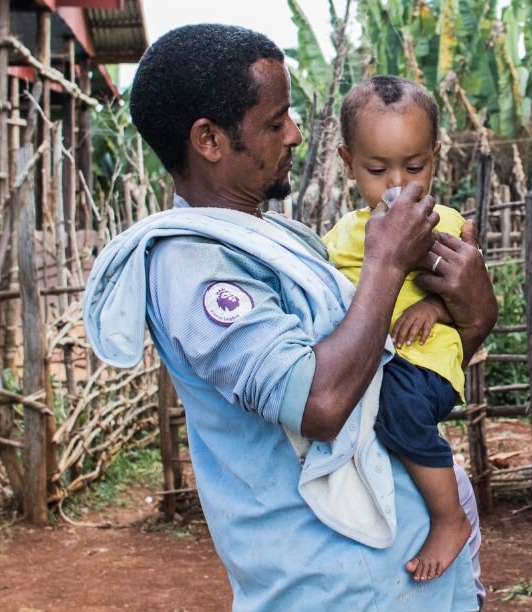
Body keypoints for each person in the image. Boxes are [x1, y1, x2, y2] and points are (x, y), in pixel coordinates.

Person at [84, 24, 498, 610]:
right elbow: (320, 406)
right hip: (336, 588)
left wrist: (474, 312)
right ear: (209, 140)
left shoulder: (282, 240)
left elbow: (392, 376)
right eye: (275, 122)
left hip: (409, 577)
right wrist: (384, 262)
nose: (296, 134)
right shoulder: (193, 265)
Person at [324, 74, 480, 583]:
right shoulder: (339, 238)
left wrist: (433, 308)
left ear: (434, 156)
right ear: (348, 163)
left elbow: (466, 294)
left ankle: (448, 517)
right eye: (376, 169)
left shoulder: (444, 224)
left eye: (414, 167)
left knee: (400, 410)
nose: (397, 185)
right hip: (375, 363)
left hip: (425, 361)